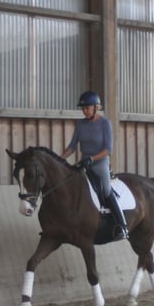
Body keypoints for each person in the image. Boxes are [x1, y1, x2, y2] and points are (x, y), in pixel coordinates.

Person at [62, 91, 129, 241]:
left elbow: (108, 149)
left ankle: (122, 226)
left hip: (100, 163)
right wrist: (59, 159)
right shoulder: (80, 125)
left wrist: (92, 159)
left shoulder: (105, 124)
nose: (84, 111)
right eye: (83, 109)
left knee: (106, 190)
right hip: (84, 162)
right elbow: (72, 147)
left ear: (96, 107)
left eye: (87, 108)